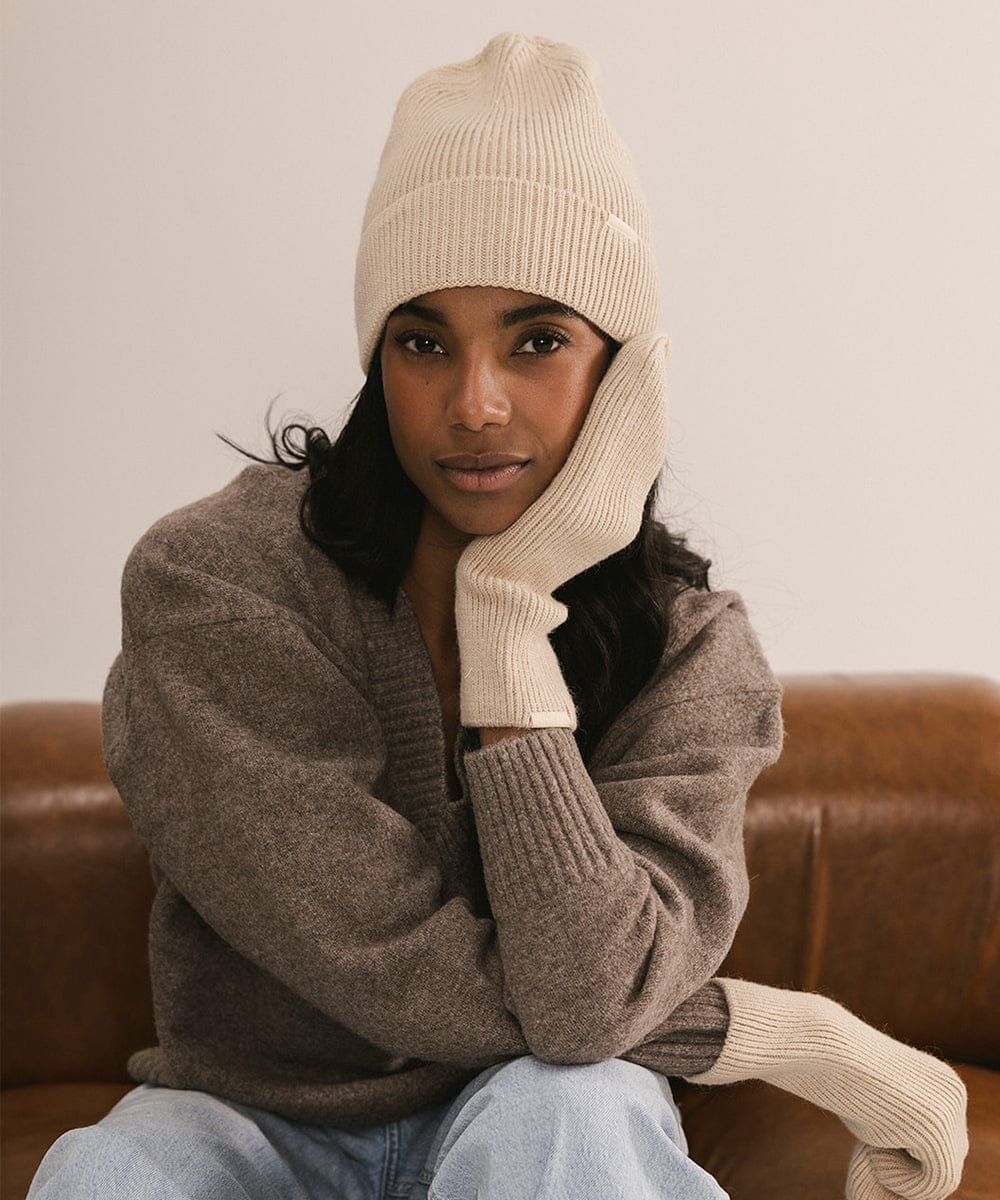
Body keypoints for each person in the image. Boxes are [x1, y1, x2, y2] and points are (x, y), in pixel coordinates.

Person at [28, 31, 967, 1200]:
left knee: (569, 1107)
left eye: (537, 341)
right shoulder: (216, 584)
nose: (474, 404)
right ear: (379, 363)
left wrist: (510, 624)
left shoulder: (693, 651)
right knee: (108, 1175)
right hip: (249, 1119)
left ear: (622, 370)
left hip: (539, 1107)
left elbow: (584, 1019)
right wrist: (769, 1034)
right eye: (423, 342)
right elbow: (394, 959)